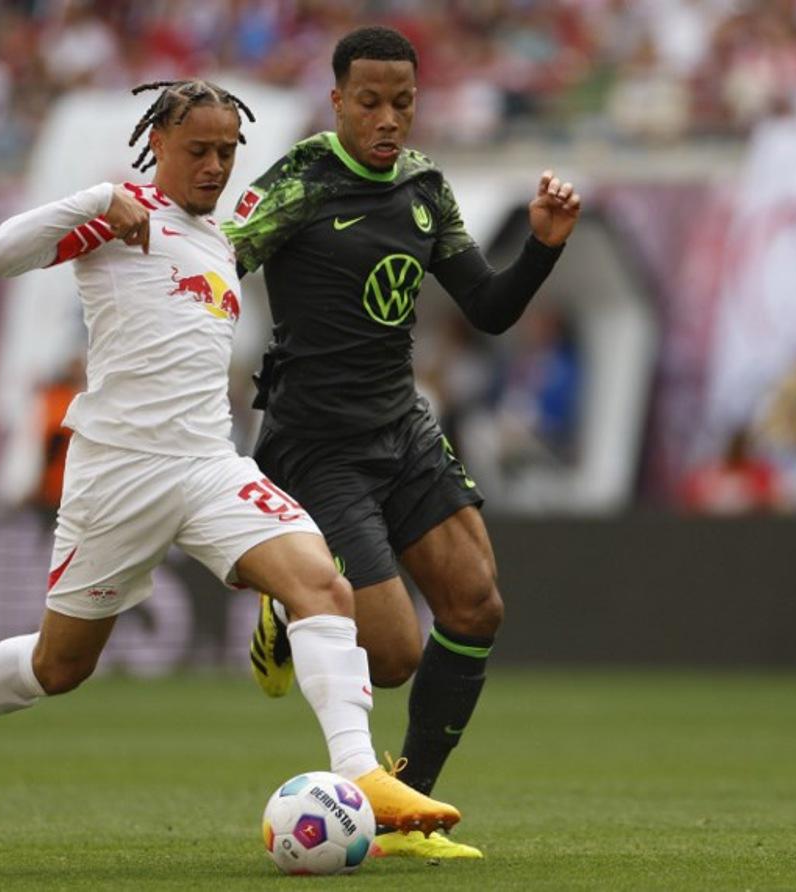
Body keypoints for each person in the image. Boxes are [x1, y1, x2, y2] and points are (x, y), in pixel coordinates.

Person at [0, 78, 460, 836]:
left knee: (324, 586)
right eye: (199, 150)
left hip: (207, 466)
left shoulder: (222, 247)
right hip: (119, 475)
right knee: (60, 667)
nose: (216, 166)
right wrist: (93, 200)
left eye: (227, 151)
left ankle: (360, 774)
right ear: (158, 145)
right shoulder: (122, 217)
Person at [222, 26, 582, 859]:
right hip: (316, 445)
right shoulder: (298, 183)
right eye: (372, 102)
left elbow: (487, 311)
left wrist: (542, 246)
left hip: (403, 428)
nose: (390, 119)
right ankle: (288, 598)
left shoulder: (424, 185)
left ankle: (405, 805)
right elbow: (216, 266)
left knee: (477, 604)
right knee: (392, 657)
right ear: (338, 100)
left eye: (404, 103)